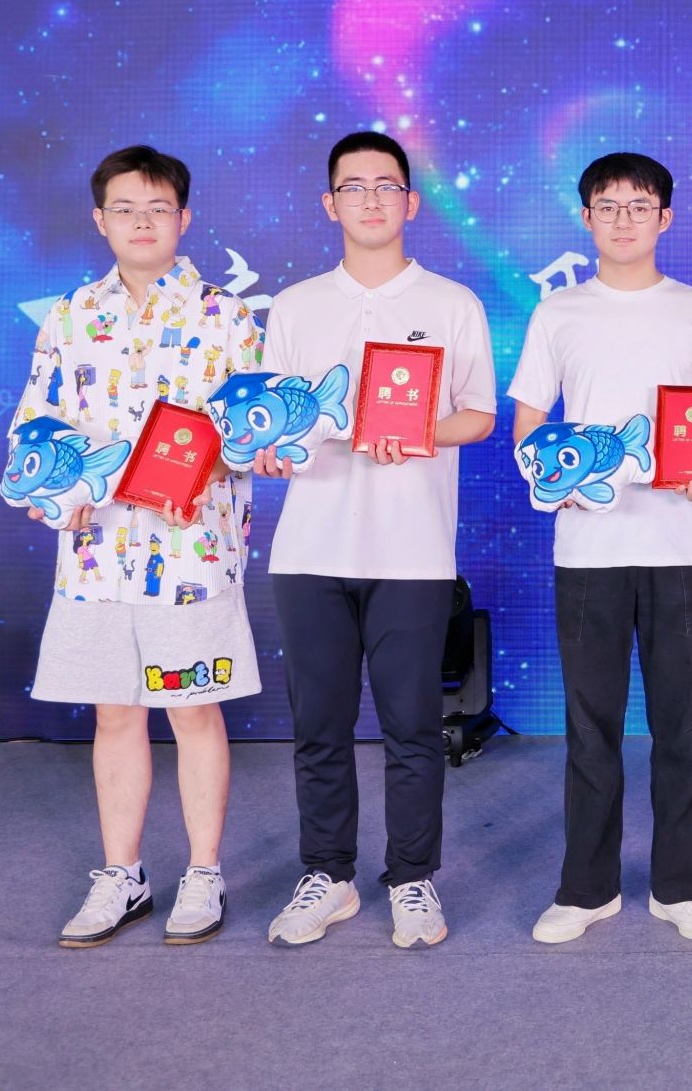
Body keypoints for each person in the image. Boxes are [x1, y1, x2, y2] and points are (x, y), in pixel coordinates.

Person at [13, 144, 264, 947]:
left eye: (158, 209)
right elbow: (37, 425)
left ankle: (203, 872)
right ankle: (122, 875)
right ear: (101, 220)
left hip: (189, 554)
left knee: (192, 709)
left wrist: (227, 456)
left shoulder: (225, 316)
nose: (142, 222)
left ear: (184, 218)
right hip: (95, 554)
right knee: (115, 713)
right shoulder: (70, 315)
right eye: (125, 209)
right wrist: (47, 490)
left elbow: (250, 431)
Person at [251, 131, 496, 949]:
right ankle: (328, 876)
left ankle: (413, 879)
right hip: (309, 551)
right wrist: (271, 451)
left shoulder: (452, 303)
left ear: (411, 202)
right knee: (318, 727)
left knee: (412, 728)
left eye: (385, 186)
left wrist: (420, 430)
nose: (370, 200)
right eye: (352, 187)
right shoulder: (294, 307)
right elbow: (278, 424)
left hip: (412, 552)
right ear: (330, 204)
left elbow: (479, 416)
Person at [509, 152, 692, 946]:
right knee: (590, 727)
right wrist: (552, 479)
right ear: (586, 219)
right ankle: (587, 888)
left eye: (640, 206)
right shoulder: (559, 313)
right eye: (608, 206)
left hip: (679, 544)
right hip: (587, 550)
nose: (624, 219)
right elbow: (529, 421)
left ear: (665, 218)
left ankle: (683, 887)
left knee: (685, 725)